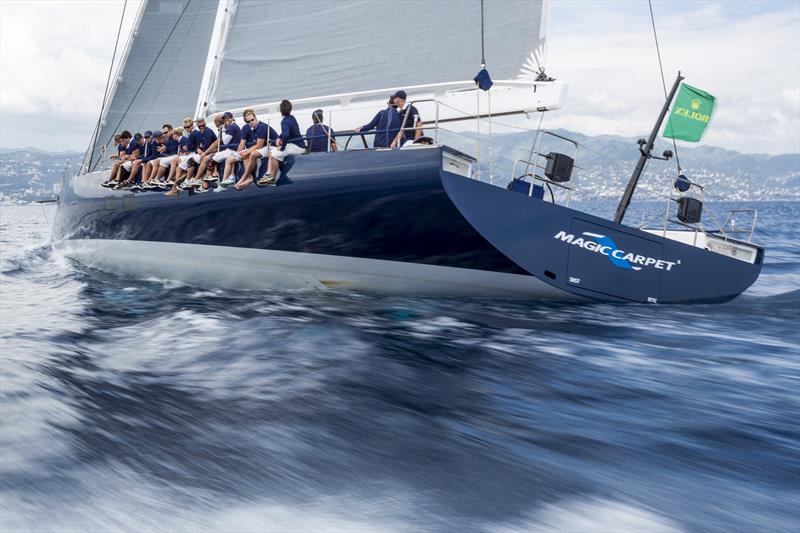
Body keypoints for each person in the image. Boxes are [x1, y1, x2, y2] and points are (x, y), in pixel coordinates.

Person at [257, 100, 306, 186]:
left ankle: (269, 176)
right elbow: (286, 132)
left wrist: (282, 147)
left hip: (296, 146)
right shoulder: (292, 118)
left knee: (273, 154)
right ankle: (271, 178)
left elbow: (286, 135)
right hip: (299, 144)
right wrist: (279, 137)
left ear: (281, 110)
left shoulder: (284, 121)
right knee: (275, 155)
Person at [232, 109, 279, 190]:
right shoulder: (251, 128)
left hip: (273, 147)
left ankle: (244, 177)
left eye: (252, 120)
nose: (251, 122)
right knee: (245, 154)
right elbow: (242, 143)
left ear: (255, 118)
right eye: (248, 121)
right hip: (265, 147)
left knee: (250, 153)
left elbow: (259, 145)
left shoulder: (262, 127)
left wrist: (247, 152)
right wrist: (238, 154)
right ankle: (248, 178)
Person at [213, 112, 242, 188]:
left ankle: (218, 178)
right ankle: (225, 179)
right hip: (231, 150)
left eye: (228, 118)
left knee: (211, 158)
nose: (226, 120)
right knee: (214, 158)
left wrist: (222, 130)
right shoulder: (230, 127)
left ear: (232, 118)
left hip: (234, 150)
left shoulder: (232, 127)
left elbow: (225, 142)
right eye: (225, 119)